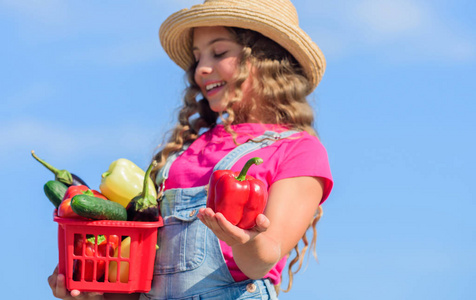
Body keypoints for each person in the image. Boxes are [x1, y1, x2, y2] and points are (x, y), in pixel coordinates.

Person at [48, 0, 333, 299]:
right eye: (197, 58)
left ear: (266, 61)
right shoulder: (180, 157)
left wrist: (243, 241)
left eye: (219, 52)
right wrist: (96, 290)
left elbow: (262, 260)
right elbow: (145, 280)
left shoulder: (298, 150)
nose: (202, 69)